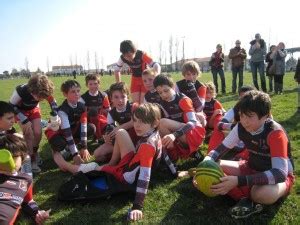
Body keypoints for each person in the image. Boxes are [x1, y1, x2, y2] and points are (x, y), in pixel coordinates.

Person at [53, 103, 162, 222]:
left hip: (125, 177)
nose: (137, 125)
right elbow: (163, 155)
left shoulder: (147, 145)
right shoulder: (155, 134)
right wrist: (175, 171)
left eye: (142, 121)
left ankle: (66, 166)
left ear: (155, 123)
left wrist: (137, 206)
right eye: (135, 120)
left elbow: (144, 176)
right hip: (132, 162)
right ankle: (111, 164)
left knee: (95, 167)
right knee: (121, 132)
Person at [204, 90, 294, 219]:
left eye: (249, 116)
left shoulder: (275, 133)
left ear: (265, 116)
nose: (244, 121)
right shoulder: (240, 126)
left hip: (278, 178)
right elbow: (221, 148)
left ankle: (245, 194)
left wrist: (238, 181)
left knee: (262, 194)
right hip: (250, 167)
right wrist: (207, 160)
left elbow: (279, 174)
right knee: (214, 165)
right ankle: (246, 196)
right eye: (241, 115)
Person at [153, 74, 206, 175]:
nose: (163, 95)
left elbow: (193, 122)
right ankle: (174, 158)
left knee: (163, 122)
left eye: (166, 90)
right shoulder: (161, 102)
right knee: (159, 124)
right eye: (160, 93)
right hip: (181, 134)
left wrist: (174, 135)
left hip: (194, 133)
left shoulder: (183, 99)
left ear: (173, 87)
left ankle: (192, 151)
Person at [9, 75, 58, 173]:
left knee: (38, 132)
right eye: (38, 97)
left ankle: (34, 154)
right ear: (32, 90)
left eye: (42, 97)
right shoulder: (21, 91)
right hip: (20, 111)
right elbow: (11, 105)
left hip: (33, 109)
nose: (40, 99)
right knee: (29, 134)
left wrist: (55, 113)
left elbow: (53, 101)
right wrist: (24, 119)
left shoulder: (44, 89)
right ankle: (31, 160)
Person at [45, 80, 95, 171]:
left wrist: (84, 147)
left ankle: (70, 148)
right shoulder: (62, 111)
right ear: (65, 94)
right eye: (73, 91)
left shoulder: (82, 106)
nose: (77, 94)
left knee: (91, 128)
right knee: (59, 143)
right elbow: (67, 133)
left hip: (71, 129)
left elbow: (83, 127)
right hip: (57, 132)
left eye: (78, 91)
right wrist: (75, 155)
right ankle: (57, 150)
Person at [0, 134, 50, 224]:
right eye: (4, 157)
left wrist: (36, 212)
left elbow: (28, 201)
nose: (9, 161)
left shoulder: (25, 180)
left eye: (14, 157)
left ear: (22, 158)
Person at [93, 82, 139, 162]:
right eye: (116, 97)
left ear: (127, 97)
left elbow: (133, 123)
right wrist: (107, 137)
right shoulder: (111, 113)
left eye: (123, 97)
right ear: (111, 98)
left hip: (135, 138)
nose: (120, 100)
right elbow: (109, 129)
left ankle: (117, 157)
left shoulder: (134, 107)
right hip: (119, 140)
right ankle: (118, 154)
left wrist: (119, 128)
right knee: (97, 154)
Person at [80, 74, 110, 142]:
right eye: (90, 84)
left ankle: (101, 134)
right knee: (93, 111)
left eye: (95, 83)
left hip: (101, 119)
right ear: (87, 85)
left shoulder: (103, 95)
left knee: (108, 128)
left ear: (99, 84)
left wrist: (109, 121)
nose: (93, 86)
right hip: (88, 121)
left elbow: (108, 109)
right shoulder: (83, 98)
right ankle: (98, 136)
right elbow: (81, 114)